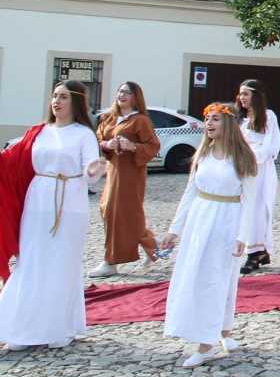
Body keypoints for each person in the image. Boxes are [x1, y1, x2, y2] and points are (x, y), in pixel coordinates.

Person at [0, 81, 104, 352]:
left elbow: (92, 174)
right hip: (38, 199)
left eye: (64, 97)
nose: (57, 101)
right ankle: (19, 327)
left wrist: (94, 170)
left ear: (76, 102)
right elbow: (12, 160)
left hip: (70, 201)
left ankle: (61, 327)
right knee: (31, 261)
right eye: (55, 96)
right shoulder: (38, 132)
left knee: (61, 264)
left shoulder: (83, 134)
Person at [160, 103, 258, 367]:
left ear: (227, 124)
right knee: (200, 276)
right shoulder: (203, 153)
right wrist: (174, 229)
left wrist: (243, 236)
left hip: (227, 220)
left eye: (215, 119)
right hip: (200, 220)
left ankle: (207, 344)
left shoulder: (243, 158)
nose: (209, 124)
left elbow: (250, 200)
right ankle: (220, 331)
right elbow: (190, 192)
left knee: (218, 279)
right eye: (207, 119)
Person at [90, 81, 161, 277]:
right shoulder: (110, 117)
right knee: (109, 209)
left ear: (135, 97)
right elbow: (98, 139)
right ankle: (150, 245)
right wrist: (107, 144)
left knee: (123, 211)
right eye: (120, 91)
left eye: (127, 92)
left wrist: (134, 147)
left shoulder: (140, 121)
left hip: (131, 173)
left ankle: (111, 261)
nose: (122, 95)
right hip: (113, 170)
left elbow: (153, 146)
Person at [236, 79, 280, 274]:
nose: (242, 98)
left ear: (255, 96)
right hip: (243, 170)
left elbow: (272, 147)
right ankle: (256, 250)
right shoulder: (241, 120)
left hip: (261, 171)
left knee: (258, 209)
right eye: (240, 94)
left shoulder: (269, 117)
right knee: (245, 208)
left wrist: (251, 156)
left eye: (245, 93)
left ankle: (255, 252)